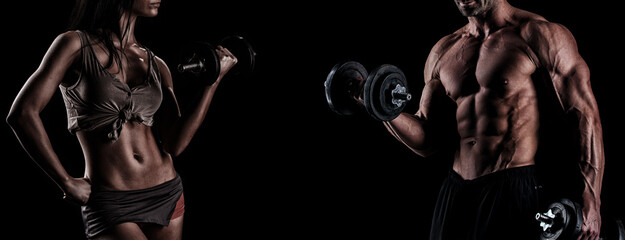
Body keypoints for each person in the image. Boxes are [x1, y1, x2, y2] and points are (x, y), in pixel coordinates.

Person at [6, 0, 237, 239]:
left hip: (166, 192)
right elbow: (23, 113)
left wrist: (212, 83)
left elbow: (174, 144)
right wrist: (64, 181)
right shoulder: (74, 45)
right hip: (111, 199)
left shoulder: (157, 64)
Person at [382, 0, 604, 239]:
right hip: (455, 192)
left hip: (512, 189)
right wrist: (380, 106)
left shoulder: (537, 34)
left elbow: (583, 115)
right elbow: (426, 139)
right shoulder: (443, 51)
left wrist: (591, 196)